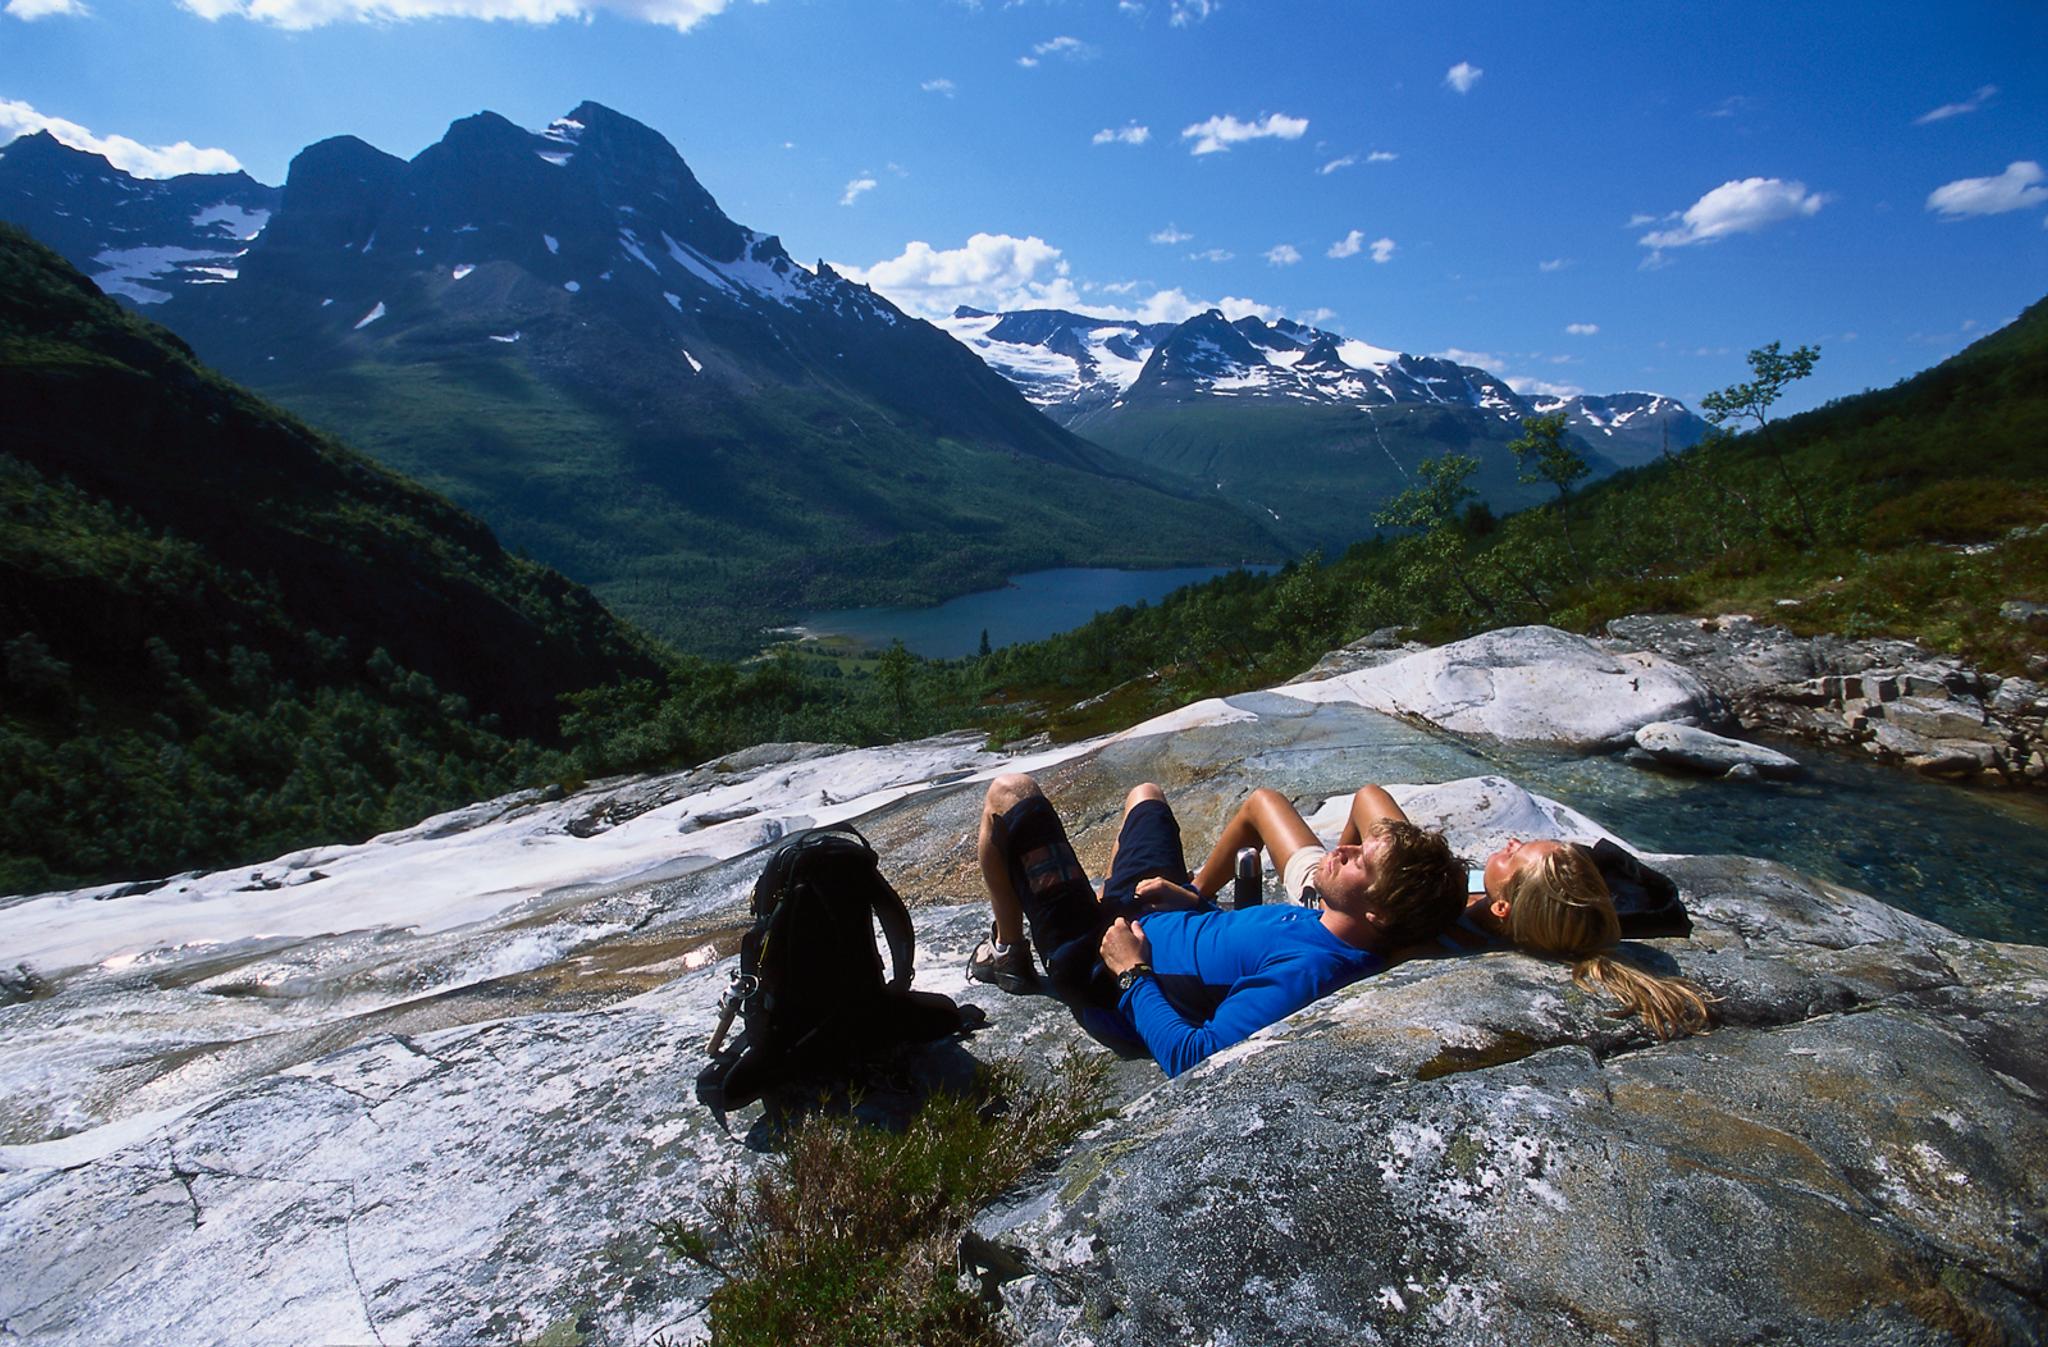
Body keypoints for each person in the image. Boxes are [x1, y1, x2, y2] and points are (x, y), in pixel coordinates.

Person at [968, 775, 1465, 1076]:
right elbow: (1234, 954)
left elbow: (1195, 1058)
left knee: (1010, 795)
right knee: (1146, 796)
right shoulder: (1329, 924)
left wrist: (1131, 972)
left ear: (1377, 913)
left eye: (1360, 862)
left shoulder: (1310, 971)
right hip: (1160, 910)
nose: (1343, 847)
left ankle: (1010, 951)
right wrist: (1192, 903)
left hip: (1098, 962)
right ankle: (1099, 892)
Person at [1461, 836, 1715, 1038]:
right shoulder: (1564, 920)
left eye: (1511, 855)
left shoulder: (1457, 928)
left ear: (1502, 908)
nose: (1512, 841)